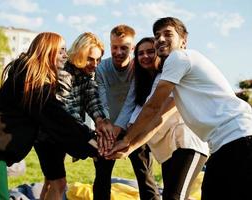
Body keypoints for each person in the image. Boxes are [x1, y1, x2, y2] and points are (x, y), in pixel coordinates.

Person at [107, 17, 252, 200]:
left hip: (240, 138)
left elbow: (152, 107)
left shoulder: (180, 57)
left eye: (168, 34)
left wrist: (126, 138)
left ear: (184, 40)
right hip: (223, 144)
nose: (160, 39)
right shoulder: (175, 76)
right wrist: (130, 147)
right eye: (157, 35)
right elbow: (159, 118)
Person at [0, 32, 98, 200]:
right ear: (47, 50)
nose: (65, 55)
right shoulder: (33, 83)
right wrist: (91, 143)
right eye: (60, 50)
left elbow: (59, 116)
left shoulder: (28, 76)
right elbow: (60, 118)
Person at [121, 37, 208, 199]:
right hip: (166, 149)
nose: (145, 56)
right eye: (140, 53)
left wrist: (127, 140)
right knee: (172, 194)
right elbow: (136, 109)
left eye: (150, 51)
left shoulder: (168, 75)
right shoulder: (139, 81)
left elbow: (152, 111)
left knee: (175, 196)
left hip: (185, 143)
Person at [35, 32, 113, 200]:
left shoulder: (86, 73)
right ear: (79, 54)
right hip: (48, 136)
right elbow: (65, 110)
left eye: (98, 60)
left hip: (63, 134)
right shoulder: (63, 71)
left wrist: (100, 120)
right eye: (90, 59)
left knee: (50, 180)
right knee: (59, 183)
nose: (95, 64)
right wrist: (86, 138)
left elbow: (92, 97)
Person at [94, 25, 160, 200]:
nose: (118, 51)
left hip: (133, 126)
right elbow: (101, 100)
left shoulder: (137, 68)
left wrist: (120, 129)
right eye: (114, 47)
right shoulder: (101, 69)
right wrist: (106, 126)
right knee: (101, 176)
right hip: (107, 130)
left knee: (144, 174)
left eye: (124, 47)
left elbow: (130, 103)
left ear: (132, 48)